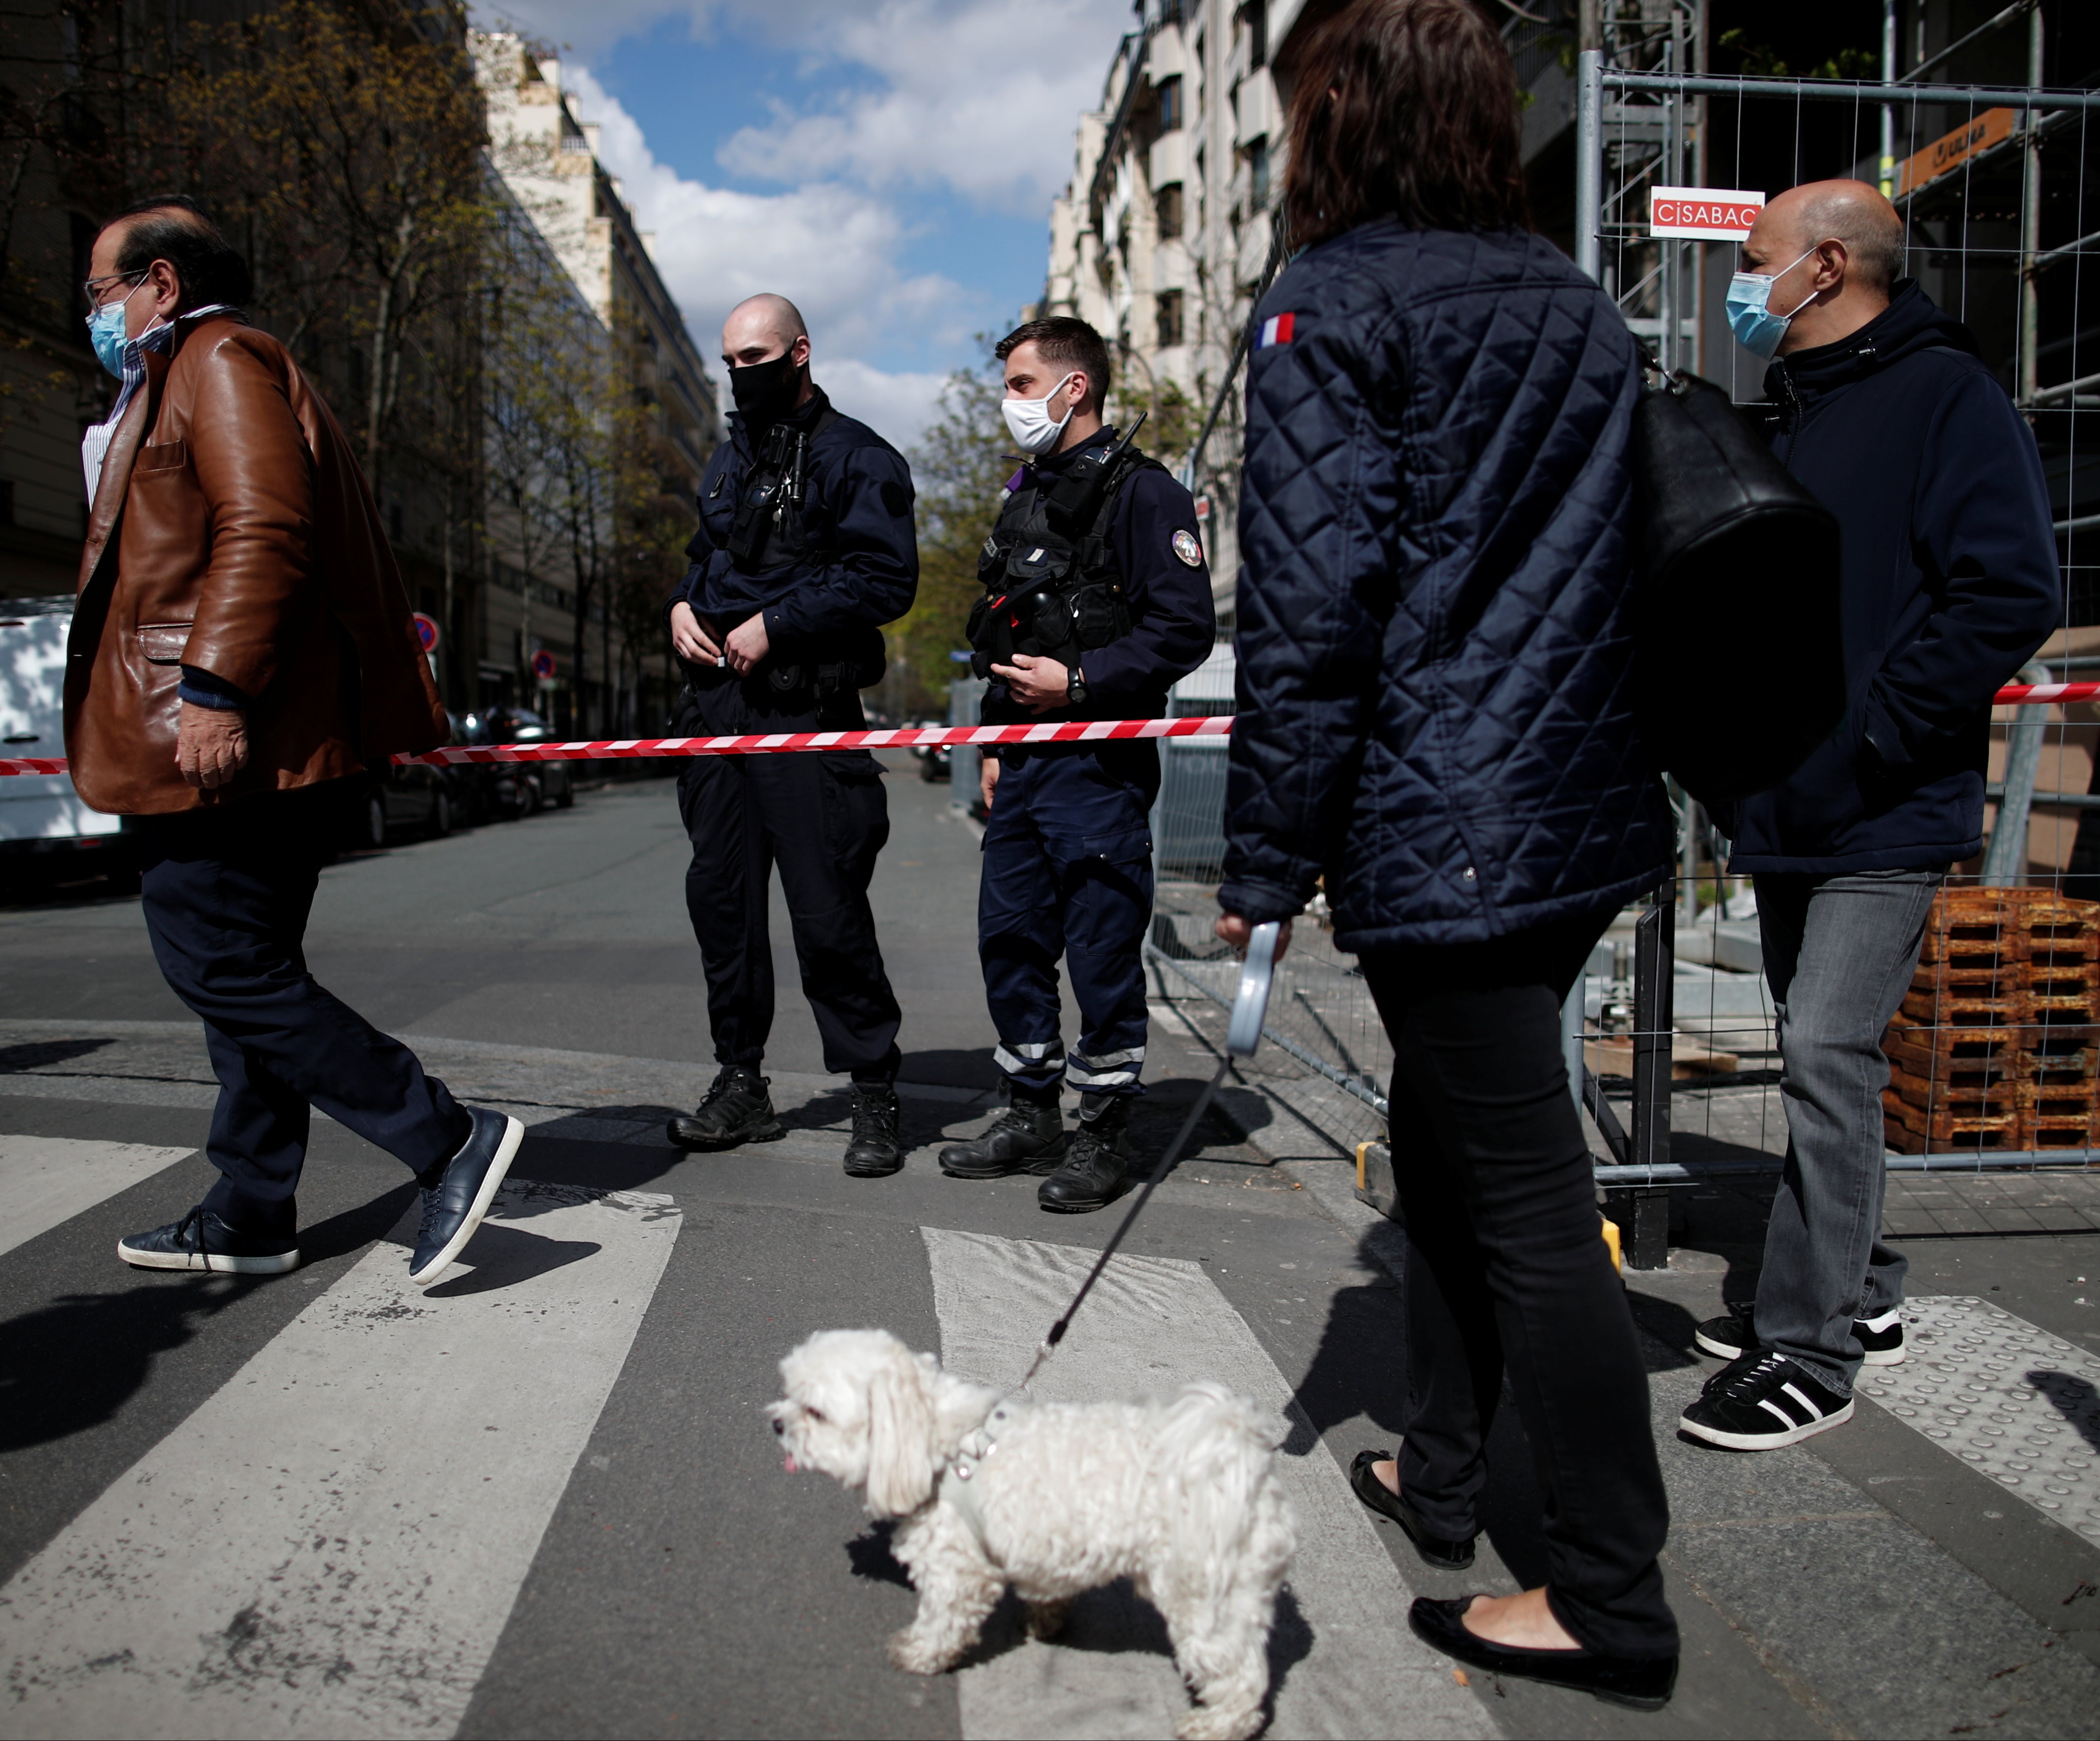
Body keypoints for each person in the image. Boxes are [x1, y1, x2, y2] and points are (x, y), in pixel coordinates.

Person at [1216, 0, 1680, 1707]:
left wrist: (1264, 855)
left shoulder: (1328, 303)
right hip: (1572, 802)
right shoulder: (1570, 296)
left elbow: (1311, 610)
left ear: (1341, 112)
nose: (1278, 148)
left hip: (1446, 818)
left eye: (1287, 115)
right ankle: (1445, 1468)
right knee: (1446, 1140)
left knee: (1534, 1200)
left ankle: (1610, 1597)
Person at [68, 198, 521, 1285]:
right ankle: (253, 1205)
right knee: (250, 974)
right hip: (258, 729)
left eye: (101, 292)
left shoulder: (216, 359)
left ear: (161, 283)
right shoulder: (193, 370)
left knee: (220, 964)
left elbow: (266, 524)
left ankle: (444, 1136)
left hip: (232, 734)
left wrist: (214, 689)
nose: (93, 312)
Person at [1683, 181, 2061, 1450]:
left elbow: (2009, 585)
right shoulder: (1789, 409)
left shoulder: (1946, 396)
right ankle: (1869, 1281)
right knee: (1816, 1042)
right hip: (1785, 801)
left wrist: (1882, 731)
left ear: (1827, 264)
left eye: (1754, 260)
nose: (1740, 282)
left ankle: (1809, 1344)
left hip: (1886, 805)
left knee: (1826, 1049)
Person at [936, 317, 1212, 1209]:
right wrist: (990, 737)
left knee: (1099, 952)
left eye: (1021, 384)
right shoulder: (1026, 494)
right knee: (1009, 942)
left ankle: (1104, 1130)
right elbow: (1006, 625)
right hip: (1023, 763)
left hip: (1097, 763)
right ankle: (1030, 1110)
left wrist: (1082, 680)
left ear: (1075, 388)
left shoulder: (1145, 496)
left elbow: (1183, 628)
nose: (1008, 402)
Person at [664, 294, 917, 1175]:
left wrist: (780, 623)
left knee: (827, 909)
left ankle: (873, 1091)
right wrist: (680, 605)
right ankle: (742, 1083)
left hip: (804, 713)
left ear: (800, 352)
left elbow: (885, 579)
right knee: (723, 908)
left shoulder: (858, 456)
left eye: (756, 357)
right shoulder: (729, 456)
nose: (741, 374)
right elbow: (706, 555)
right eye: (730, 359)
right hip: (718, 715)